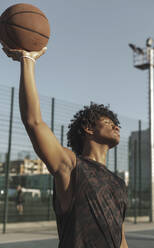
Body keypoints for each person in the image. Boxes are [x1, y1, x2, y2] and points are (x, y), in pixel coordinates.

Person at [1, 42, 128, 248]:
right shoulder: (71, 166)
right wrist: (28, 60)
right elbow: (34, 121)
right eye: (108, 122)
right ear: (88, 128)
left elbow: (121, 240)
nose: (116, 126)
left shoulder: (119, 183)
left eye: (116, 124)